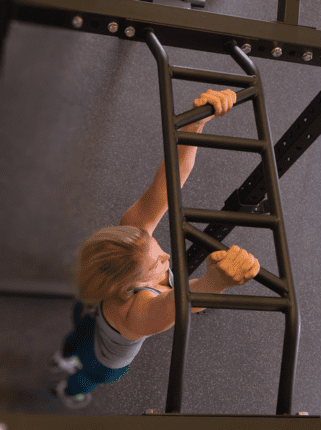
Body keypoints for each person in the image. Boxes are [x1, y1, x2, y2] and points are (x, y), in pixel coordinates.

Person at [47, 89, 260, 409]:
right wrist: (218, 282)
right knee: (90, 375)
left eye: (156, 248)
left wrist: (194, 127)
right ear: (131, 286)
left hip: (90, 315)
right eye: (158, 264)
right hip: (105, 359)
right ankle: (71, 391)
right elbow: (186, 301)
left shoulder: (131, 244)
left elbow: (170, 182)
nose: (167, 257)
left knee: (76, 337)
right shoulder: (137, 314)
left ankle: (61, 360)